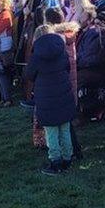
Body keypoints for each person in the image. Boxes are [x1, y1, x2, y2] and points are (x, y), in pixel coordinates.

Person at [26, 30, 77, 175]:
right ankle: (68, 158)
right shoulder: (61, 50)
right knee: (65, 129)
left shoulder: (36, 56)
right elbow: (67, 68)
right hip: (63, 94)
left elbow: (29, 74)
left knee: (51, 132)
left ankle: (55, 161)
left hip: (46, 97)